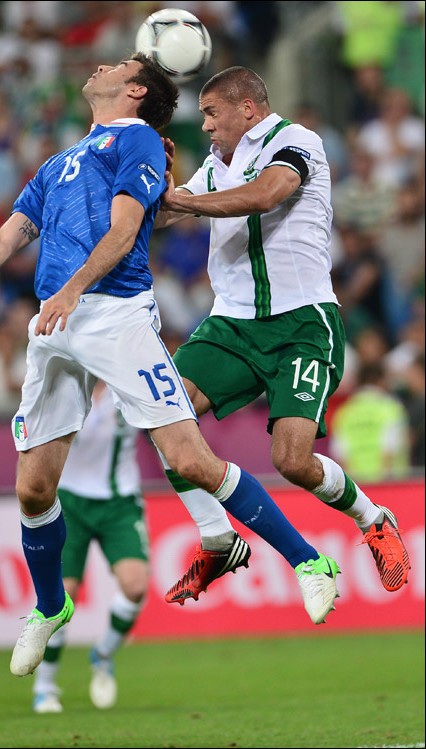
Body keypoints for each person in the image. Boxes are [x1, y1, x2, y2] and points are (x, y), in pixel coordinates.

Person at [0, 54, 341, 681]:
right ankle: (51, 606)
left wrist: (72, 289)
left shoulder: (139, 143)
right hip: (56, 325)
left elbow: (127, 230)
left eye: (119, 64)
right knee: (33, 488)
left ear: (134, 91)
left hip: (115, 318)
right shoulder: (59, 162)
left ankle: (308, 560)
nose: (101, 65)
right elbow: (3, 242)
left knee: (189, 460)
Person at [157, 65, 411, 602]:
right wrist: (153, 186)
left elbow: (267, 194)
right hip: (232, 323)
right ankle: (216, 538)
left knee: (292, 461)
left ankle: (373, 519)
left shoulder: (298, 142)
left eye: (211, 113)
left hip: (301, 323)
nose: (205, 125)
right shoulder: (217, 162)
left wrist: (182, 201)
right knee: (163, 415)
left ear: (247, 108)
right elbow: (164, 215)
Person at [32, 380, 148, 713]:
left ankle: (103, 653)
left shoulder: (129, 379)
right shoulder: (63, 381)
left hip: (120, 501)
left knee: (135, 586)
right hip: (69, 500)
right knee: (61, 596)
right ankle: (45, 686)